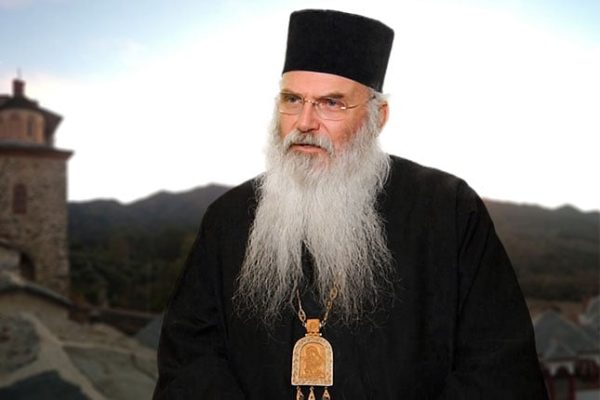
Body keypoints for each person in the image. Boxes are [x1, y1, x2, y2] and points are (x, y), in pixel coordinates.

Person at [153, 9, 547, 400]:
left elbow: (497, 370)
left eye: (331, 103)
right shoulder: (228, 218)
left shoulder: (448, 211)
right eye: (292, 99)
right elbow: (190, 359)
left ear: (378, 118)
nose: (304, 122)